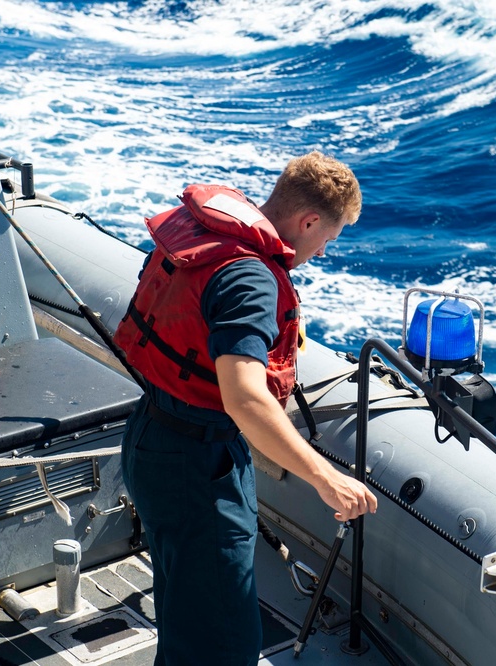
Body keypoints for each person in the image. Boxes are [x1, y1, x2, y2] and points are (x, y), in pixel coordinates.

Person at [113, 152, 377, 666]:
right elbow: (245, 396)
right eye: (329, 238)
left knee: (186, 617)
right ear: (307, 221)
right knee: (224, 644)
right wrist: (326, 479)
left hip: (152, 437)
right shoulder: (251, 279)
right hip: (197, 468)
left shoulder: (213, 243)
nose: (322, 251)